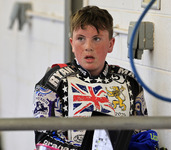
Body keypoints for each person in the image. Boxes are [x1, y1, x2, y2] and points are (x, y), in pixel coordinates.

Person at [33, 6, 148, 150]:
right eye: (80, 38)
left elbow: (144, 135)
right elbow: (44, 140)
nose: (88, 46)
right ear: (72, 44)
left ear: (110, 44)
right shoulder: (54, 80)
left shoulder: (130, 81)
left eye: (97, 39)